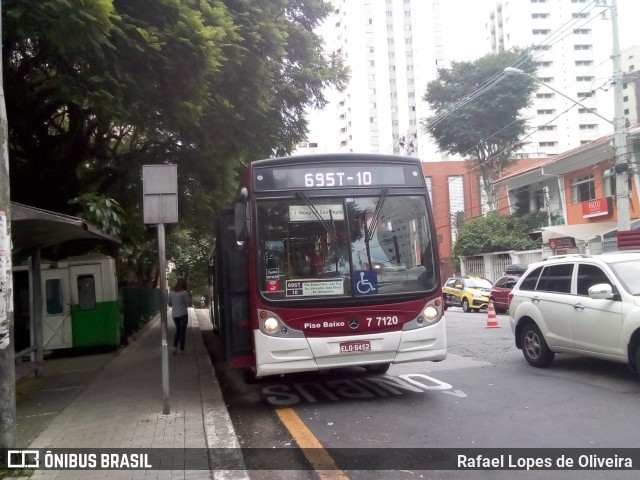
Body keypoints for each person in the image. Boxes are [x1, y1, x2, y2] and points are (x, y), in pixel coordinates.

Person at [168, 277, 191, 354]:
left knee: (178, 330)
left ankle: (174, 348)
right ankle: (181, 349)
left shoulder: (171, 293)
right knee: (182, 331)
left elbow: (170, 303)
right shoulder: (184, 293)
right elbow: (187, 303)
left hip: (175, 315)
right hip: (183, 314)